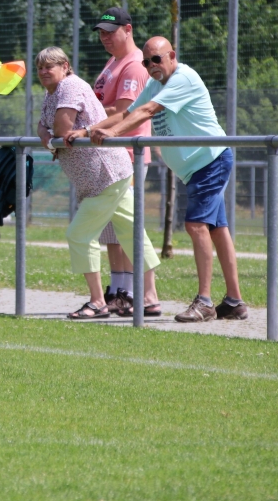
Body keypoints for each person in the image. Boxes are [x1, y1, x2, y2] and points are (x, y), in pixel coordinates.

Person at [75, 36, 248, 322]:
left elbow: (146, 111)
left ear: (172, 56)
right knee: (217, 229)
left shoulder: (182, 78)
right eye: (146, 62)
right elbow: (127, 112)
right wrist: (87, 131)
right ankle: (234, 301)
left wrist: (113, 133)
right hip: (196, 167)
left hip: (209, 160)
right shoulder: (155, 84)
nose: (151, 66)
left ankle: (205, 302)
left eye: (156, 59)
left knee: (196, 226)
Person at [36, 47, 161, 319]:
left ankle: (97, 302)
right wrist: (48, 137)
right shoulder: (51, 92)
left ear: (65, 66)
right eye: (40, 67)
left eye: (49, 66)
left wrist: (51, 139)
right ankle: (150, 299)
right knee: (131, 231)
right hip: (105, 174)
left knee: (79, 234)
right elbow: (43, 127)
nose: (43, 71)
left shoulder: (69, 86)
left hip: (105, 174)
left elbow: (60, 129)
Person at [91, 7, 153, 315]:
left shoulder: (134, 65)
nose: (104, 37)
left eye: (110, 32)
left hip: (128, 154)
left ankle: (130, 292)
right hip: (111, 155)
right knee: (112, 229)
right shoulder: (113, 62)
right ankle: (117, 288)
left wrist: (85, 119)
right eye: (101, 33)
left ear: (128, 30)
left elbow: (122, 111)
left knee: (126, 226)